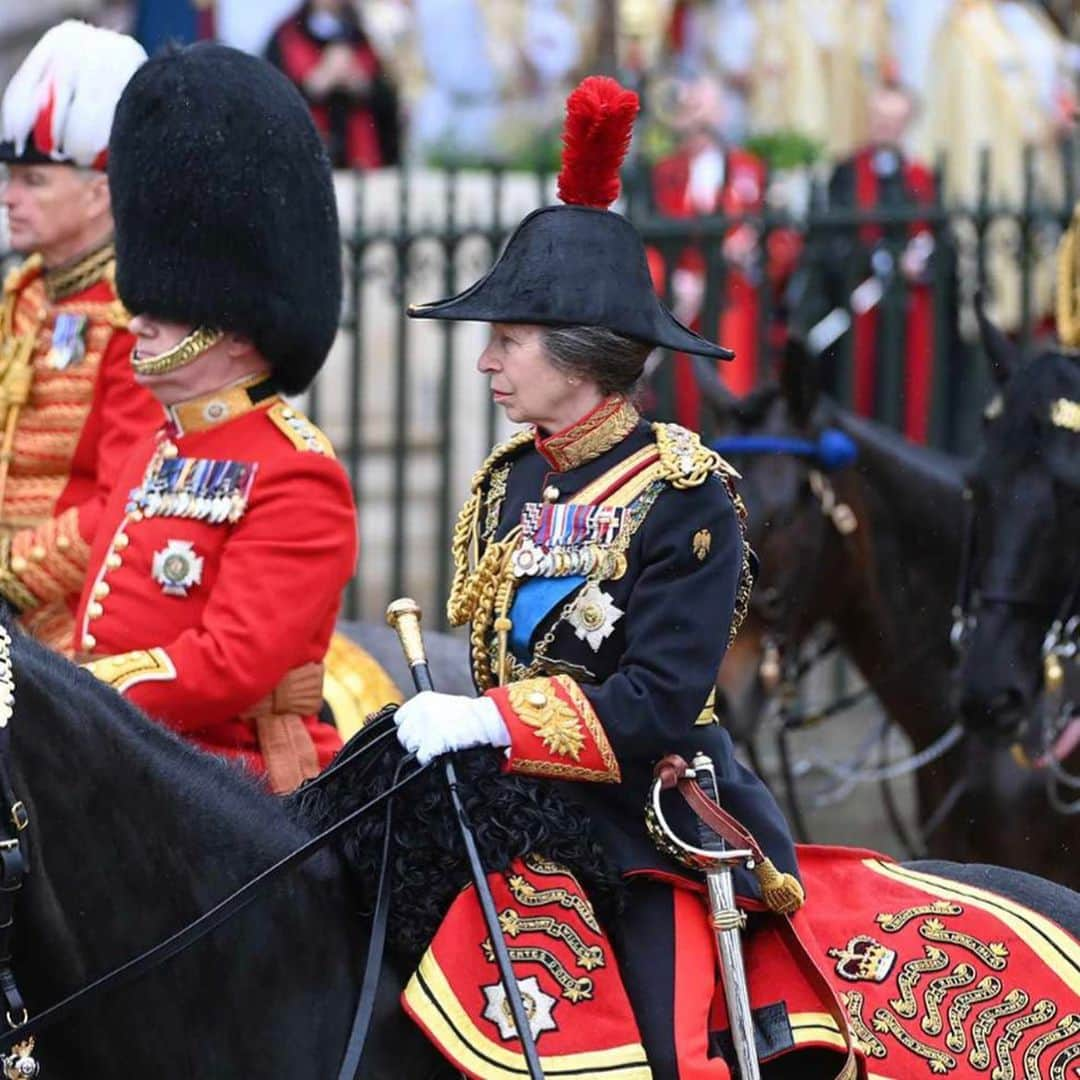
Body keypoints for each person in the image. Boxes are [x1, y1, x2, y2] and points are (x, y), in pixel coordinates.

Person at [394, 76, 799, 1076]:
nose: (488, 363)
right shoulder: (509, 480)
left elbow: (658, 704)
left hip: (641, 822)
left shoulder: (686, 490)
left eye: (509, 340)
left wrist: (495, 722)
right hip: (504, 805)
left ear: (584, 356)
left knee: (665, 1054)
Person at [71, 43, 357, 793]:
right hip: (126, 754)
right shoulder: (155, 447)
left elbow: (231, 665)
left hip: (229, 786)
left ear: (233, 327)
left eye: (169, 308)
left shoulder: (297, 471)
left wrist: (83, 699)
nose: (142, 321)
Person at [0, 21, 162, 652]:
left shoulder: (137, 313)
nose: (10, 197)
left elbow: (124, 497)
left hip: (80, 623)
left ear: (100, 193)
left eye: (34, 181)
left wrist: (11, 578)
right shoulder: (28, 291)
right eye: (11, 176)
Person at [794, 81, 959, 442]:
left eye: (893, 120)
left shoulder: (922, 178)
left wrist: (921, 263)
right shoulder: (847, 174)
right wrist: (882, 261)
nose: (885, 127)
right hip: (860, 310)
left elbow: (942, 245)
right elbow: (830, 241)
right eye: (878, 119)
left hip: (909, 311)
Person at [649, 73, 801, 416]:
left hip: (736, 306)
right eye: (687, 108)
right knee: (682, 403)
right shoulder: (664, 173)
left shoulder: (750, 170)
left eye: (702, 108)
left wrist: (753, 253)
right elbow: (648, 243)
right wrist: (671, 280)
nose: (694, 118)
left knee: (733, 395)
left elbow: (781, 244)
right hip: (684, 308)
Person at [266, 0, 400, 169]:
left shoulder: (368, 36)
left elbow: (391, 102)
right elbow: (270, 102)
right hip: (305, 163)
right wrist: (317, 83)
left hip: (363, 166)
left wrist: (362, 85)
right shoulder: (286, 36)